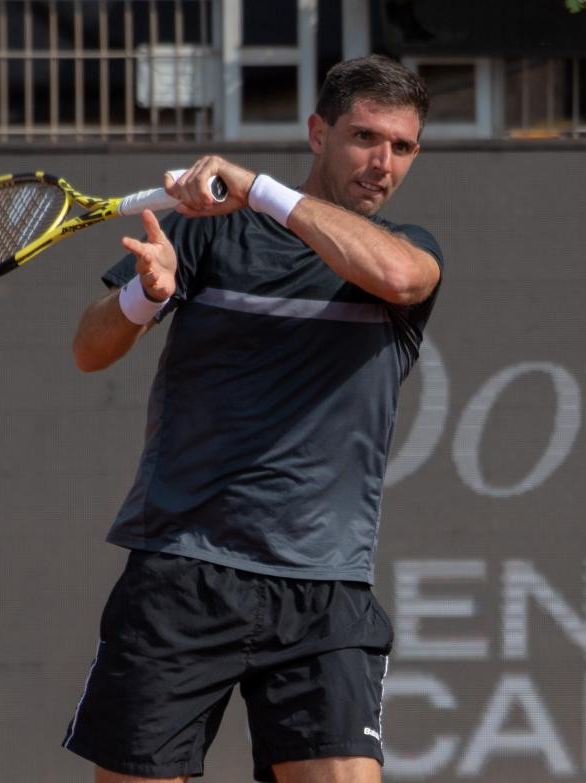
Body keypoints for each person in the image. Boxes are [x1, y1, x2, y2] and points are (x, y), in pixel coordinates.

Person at [61, 55, 442, 783]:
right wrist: (146, 295)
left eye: (402, 146)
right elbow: (89, 349)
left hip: (324, 589)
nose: (382, 162)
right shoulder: (205, 235)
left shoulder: (406, 253)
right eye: (365, 137)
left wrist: (256, 189)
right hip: (182, 570)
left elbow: (397, 276)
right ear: (317, 132)